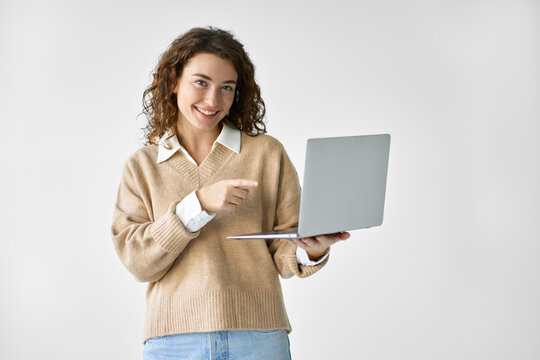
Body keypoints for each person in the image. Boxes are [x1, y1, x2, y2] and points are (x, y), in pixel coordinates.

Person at [111, 26, 350, 360]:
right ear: (173, 82)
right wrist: (198, 205)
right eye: (201, 82)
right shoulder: (142, 166)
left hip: (259, 337)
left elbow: (284, 250)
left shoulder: (266, 154)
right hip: (173, 343)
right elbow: (138, 263)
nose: (213, 100)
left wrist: (313, 250)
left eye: (227, 87)